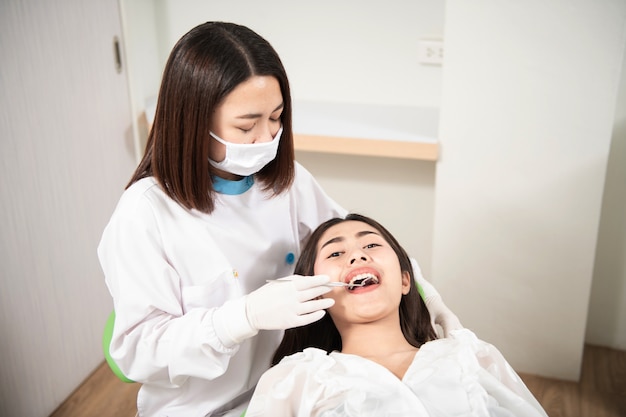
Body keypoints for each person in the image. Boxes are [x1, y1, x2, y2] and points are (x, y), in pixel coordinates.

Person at [98, 22, 461, 417]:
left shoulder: (285, 182)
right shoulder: (145, 214)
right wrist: (241, 318)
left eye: (276, 117)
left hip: (294, 387)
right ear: (192, 121)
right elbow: (137, 352)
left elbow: (358, 241)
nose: (267, 137)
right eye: (246, 125)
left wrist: (428, 296)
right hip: (206, 409)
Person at [246, 214, 548, 417]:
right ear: (316, 293)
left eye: (371, 245)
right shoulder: (292, 380)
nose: (357, 255)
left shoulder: (472, 356)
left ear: (406, 280)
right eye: (335, 253)